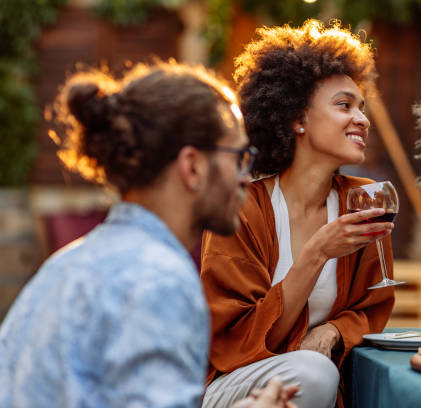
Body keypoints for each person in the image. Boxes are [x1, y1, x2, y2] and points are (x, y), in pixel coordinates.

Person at [0, 62, 295, 408]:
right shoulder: (160, 281)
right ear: (192, 167)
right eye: (240, 157)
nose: (247, 177)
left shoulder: (63, 266)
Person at [201, 20, 396, 408]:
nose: (362, 119)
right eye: (344, 105)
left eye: (362, 107)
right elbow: (236, 343)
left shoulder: (364, 202)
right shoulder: (241, 208)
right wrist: (316, 254)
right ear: (297, 118)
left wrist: (331, 332)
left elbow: (372, 307)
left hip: (313, 384)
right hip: (238, 383)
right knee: (314, 371)